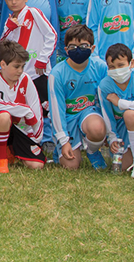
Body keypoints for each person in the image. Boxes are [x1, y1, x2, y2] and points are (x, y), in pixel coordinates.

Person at [47, 24, 110, 171]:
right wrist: (64, 141)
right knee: (71, 166)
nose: (78, 50)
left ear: (92, 48)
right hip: (68, 119)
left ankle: (92, 151)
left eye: (83, 46)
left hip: (89, 114)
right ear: (66, 50)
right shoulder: (57, 73)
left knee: (97, 129)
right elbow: (57, 110)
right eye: (73, 47)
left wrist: (109, 131)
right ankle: (61, 149)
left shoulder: (101, 67)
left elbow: (107, 100)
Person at [0, 40, 47, 173]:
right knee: (3, 116)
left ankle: (13, 151)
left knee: (37, 166)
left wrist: (37, 137)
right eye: (16, 66)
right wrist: (26, 111)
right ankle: (1, 159)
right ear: (3, 64)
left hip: (23, 129)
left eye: (23, 67)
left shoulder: (26, 79)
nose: (20, 71)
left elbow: (36, 108)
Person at [98, 43, 134, 179]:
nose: (116, 70)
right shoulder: (104, 86)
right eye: (112, 67)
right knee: (123, 166)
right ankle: (132, 155)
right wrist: (112, 138)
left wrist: (120, 103)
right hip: (120, 125)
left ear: (131, 63)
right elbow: (107, 115)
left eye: (121, 65)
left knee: (130, 114)